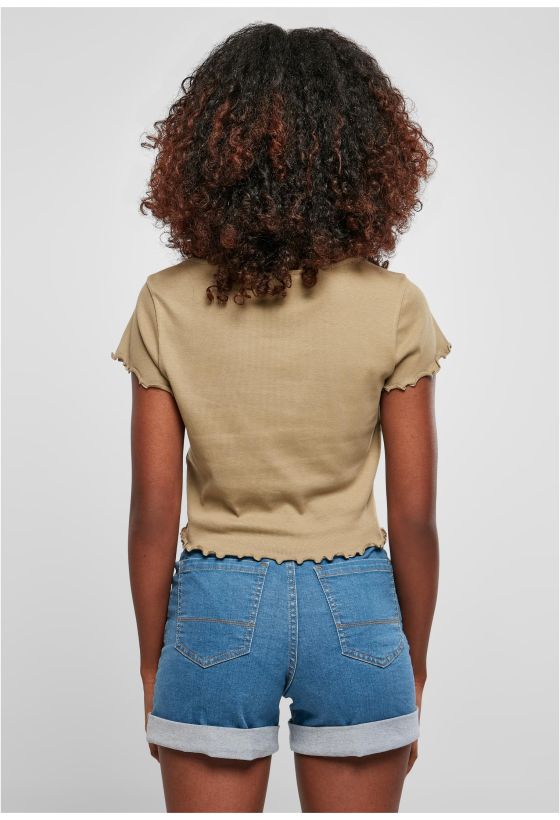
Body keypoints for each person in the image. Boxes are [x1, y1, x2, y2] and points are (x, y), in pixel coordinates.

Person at [111, 22, 452, 813]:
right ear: (369, 155)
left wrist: (153, 663)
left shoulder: (166, 303)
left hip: (213, 610)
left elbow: (153, 515)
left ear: (205, 154)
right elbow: (414, 518)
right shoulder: (395, 307)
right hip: (359, 615)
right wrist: (414, 661)